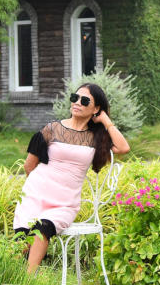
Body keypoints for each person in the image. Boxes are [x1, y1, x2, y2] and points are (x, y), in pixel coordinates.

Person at [12, 83, 130, 274]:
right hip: (36, 194)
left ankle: (27, 282)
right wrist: (36, 189)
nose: (77, 103)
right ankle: (7, 283)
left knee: (43, 227)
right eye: (75, 98)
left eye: (85, 101)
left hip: (64, 203)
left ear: (96, 108)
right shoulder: (52, 129)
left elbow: (123, 148)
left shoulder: (96, 138)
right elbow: (29, 165)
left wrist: (106, 121)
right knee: (22, 241)